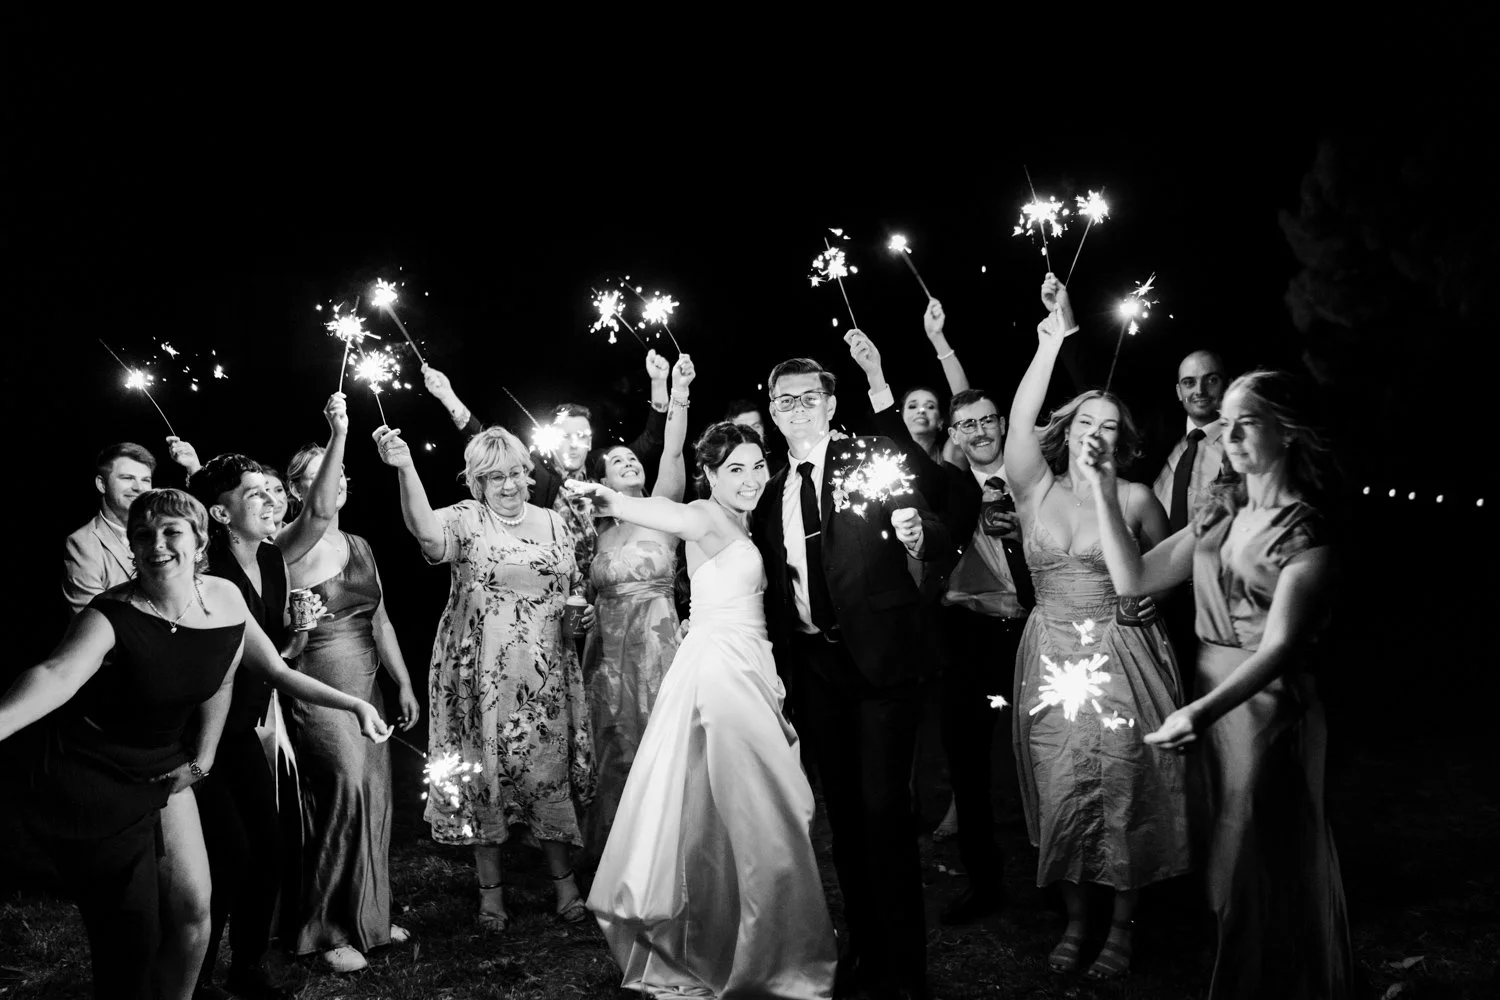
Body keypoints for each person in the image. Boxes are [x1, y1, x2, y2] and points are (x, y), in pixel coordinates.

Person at [2, 489, 388, 1000]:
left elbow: (262, 669)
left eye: (171, 532)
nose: (156, 544)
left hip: (165, 765)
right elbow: (54, 676)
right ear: (131, 545)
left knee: (194, 913)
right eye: (143, 534)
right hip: (95, 773)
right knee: (132, 931)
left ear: (200, 540)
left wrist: (353, 704)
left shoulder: (223, 597)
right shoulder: (111, 612)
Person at [1081, 369, 1354, 1000]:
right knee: (1217, 872)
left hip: (1265, 712)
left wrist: (1200, 713)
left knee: (1253, 869)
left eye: (1247, 421)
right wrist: (1099, 488)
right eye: (1223, 420)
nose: (1227, 434)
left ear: (1288, 432)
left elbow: (1282, 648)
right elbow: (1135, 579)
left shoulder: (1304, 533)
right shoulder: (1221, 508)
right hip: (1206, 701)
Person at [579, 421, 837, 1000]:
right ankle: (767, 958)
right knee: (765, 810)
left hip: (752, 662)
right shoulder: (703, 513)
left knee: (730, 813)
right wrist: (614, 499)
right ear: (711, 476)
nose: (749, 479)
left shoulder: (757, 519)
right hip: (721, 674)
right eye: (734, 469)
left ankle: (735, 941)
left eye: (755, 466)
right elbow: (672, 518)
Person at [1005, 275, 1191, 981]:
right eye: (1086, 422)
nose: (1096, 433)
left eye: (1109, 425)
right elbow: (1019, 425)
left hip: (1123, 656)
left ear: (1123, 440)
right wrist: (1051, 341)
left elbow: (1168, 575)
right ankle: (1076, 921)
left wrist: (1148, 605)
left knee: (1124, 786)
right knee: (1060, 785)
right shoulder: (1035, 488)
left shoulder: (1139, 498)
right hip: (1049, 651)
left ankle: (1122, 924)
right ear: (1068, 431)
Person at [754, 357, 949, 1000]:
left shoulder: (873, 455)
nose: (797, 408)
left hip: (882, 665)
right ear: (774, 413)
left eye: (809, 397)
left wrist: (919, 536)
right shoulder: (770, 491)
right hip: (814, 672)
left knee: (885, 813)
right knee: (842, 818)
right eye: (785, 401)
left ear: (831, 404)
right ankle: (863, 948)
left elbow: (938, 529)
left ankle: (904, 969)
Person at [188, 393, 382, 998]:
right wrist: (348, 701)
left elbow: (321, 512)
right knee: (227, 855)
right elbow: (261, 666)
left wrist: (340, 430)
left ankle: (246, 966)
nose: (274, 500)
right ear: (221, 516)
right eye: (257, 494)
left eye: (276, 491)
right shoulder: (211, 573)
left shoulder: (271, 559)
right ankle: (192, 974)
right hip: (198, 731)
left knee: (267, 849)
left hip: (243, 726)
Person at [373, 422, 597, 933]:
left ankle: (565, 885)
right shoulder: (466, 518)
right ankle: (490, 894)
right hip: (478, 674)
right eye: (496, 477)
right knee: (482, 777)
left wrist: (576, 620)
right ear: (477, 483)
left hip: (545, 674)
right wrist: (405, 466)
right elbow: (425, 532)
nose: (510, 485)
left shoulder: (554, 522)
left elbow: (569, 587)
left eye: (517, 473)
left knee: (546, 774)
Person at [281, 442, 420, 972]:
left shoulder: (360, 543)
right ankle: (326, 928)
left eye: (339, 475)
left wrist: (402, 683)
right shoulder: (286, 546)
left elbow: (381, 621)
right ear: (298, 489)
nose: (334, 482)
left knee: (375, 792)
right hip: (317, 681)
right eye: (320, 476)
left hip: (368, 683)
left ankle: (371, 917)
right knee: (342, 792)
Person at [581, 355, 693, 867]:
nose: (631, 462)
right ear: (602, 477)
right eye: (619, 461)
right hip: (605, 653)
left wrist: (676, 390)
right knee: (615, 748)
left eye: (634, 458)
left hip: (657, 645)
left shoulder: (664, 510)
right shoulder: (597, 532)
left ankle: (671, 854)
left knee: (663, 742)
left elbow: (671, 447)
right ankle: (620, 860)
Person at [63, 442, 157, 613]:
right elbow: (91, 621)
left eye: (145, 480)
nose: (138, 488)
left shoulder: (163, 532)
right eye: (127, 478)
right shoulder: (82, 543)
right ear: (102, 484)